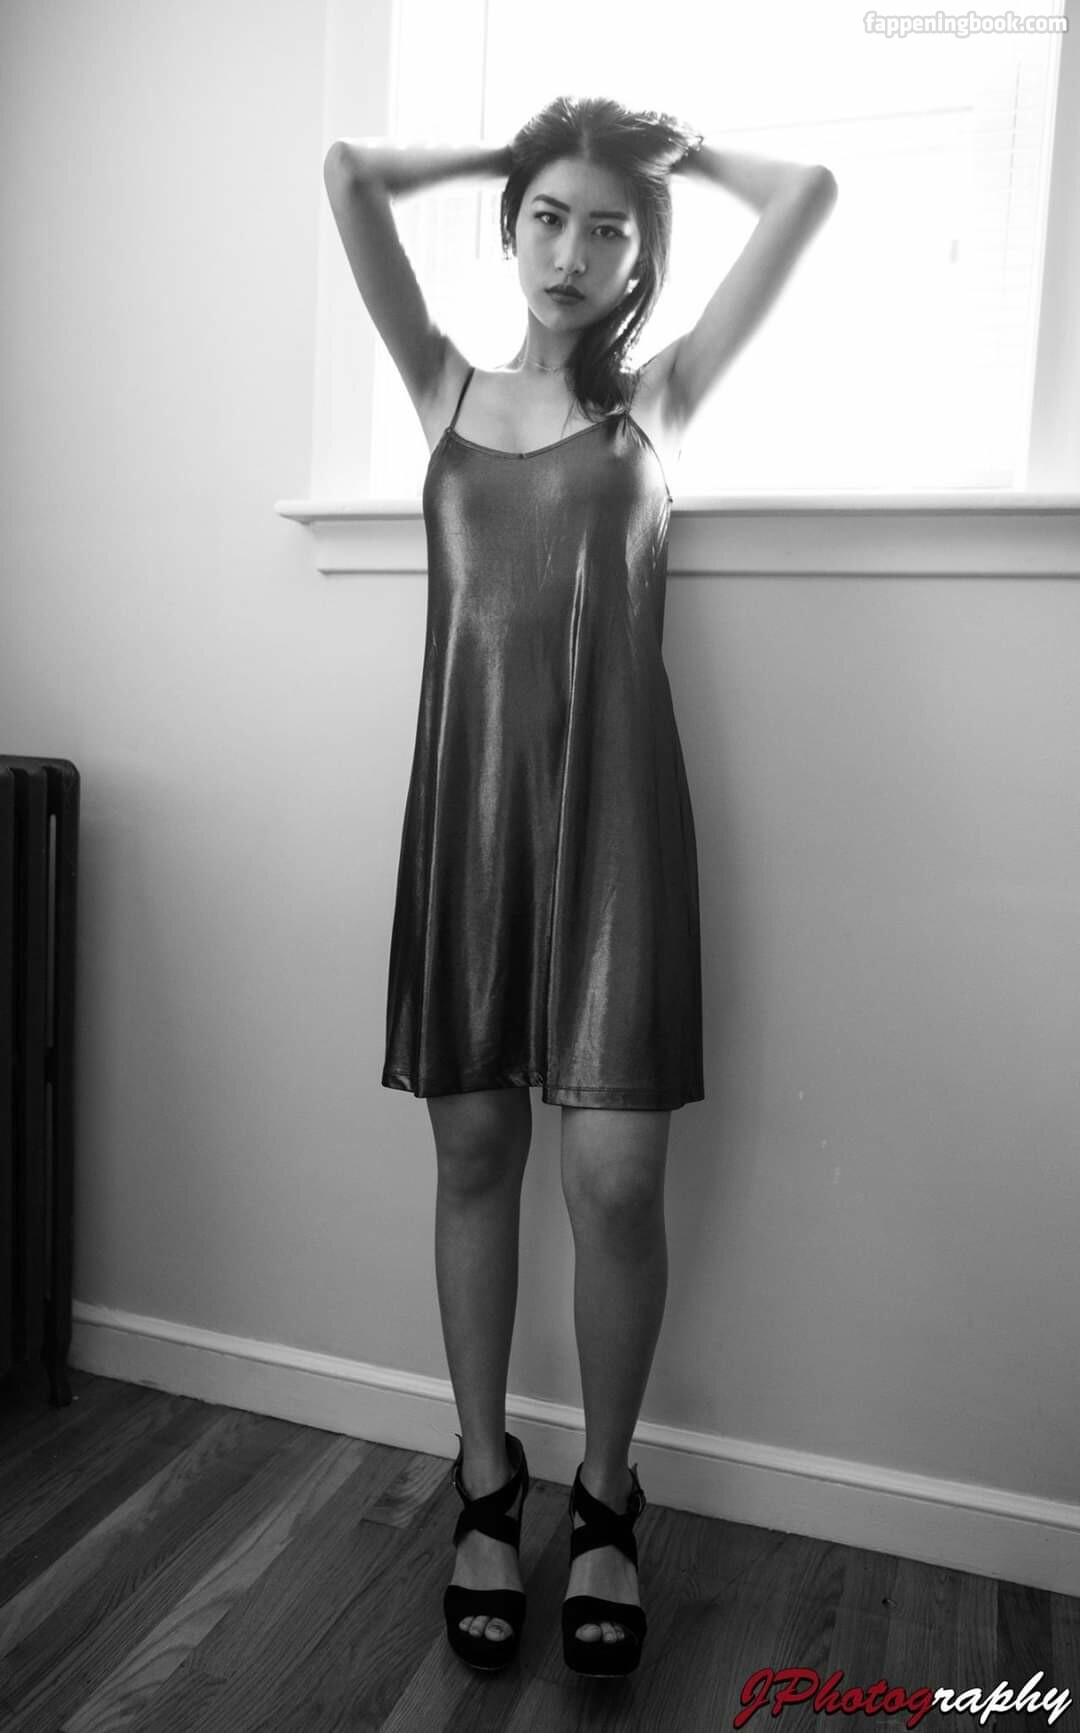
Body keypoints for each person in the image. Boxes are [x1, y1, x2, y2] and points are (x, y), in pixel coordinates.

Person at [323, 95, 837, 1679]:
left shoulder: (659, 401)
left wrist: (676, 157)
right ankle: (486, 1478)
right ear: (512, 228)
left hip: (616, 835)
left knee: (614, 1183)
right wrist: (506, 149)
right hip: (470, 825)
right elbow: (347, 176)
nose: (572, 249)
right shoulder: (443, 388)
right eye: (548, 216)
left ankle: (609, 1496)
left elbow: (809, 193)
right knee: (476, 1151)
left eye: (607, 229)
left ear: (638, 261)